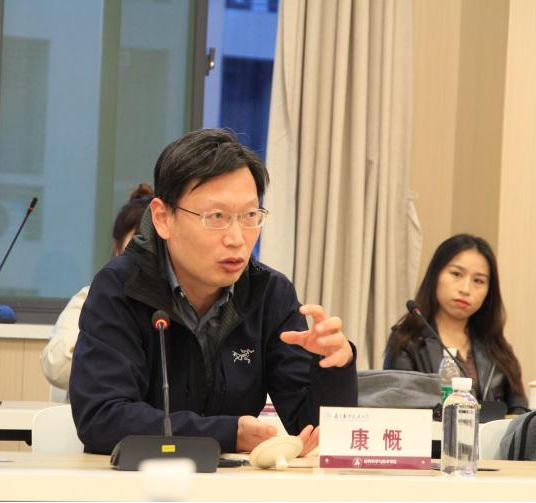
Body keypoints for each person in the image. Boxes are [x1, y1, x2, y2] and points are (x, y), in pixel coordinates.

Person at [69, 128, 358, 455]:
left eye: (250, 216)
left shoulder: (270, 294)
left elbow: (312, 431)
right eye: (216, 216)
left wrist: (334, 367)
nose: (237, 238)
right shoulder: (121, 289)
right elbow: (102, 418)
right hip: (137, 479)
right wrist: (226, 434)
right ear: (163, 218)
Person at [383, 233, 528, 414]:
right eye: (456, 274)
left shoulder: (498, 349)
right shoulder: (406, 341)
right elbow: (399, 410)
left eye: (478, 281)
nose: (465, 289)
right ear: (435, 275)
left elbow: (518, 411)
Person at [40, 183, 154, 391]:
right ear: (117, 249)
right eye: (136, 246)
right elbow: (56, 366)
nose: (146, 256)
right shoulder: (93, 297)